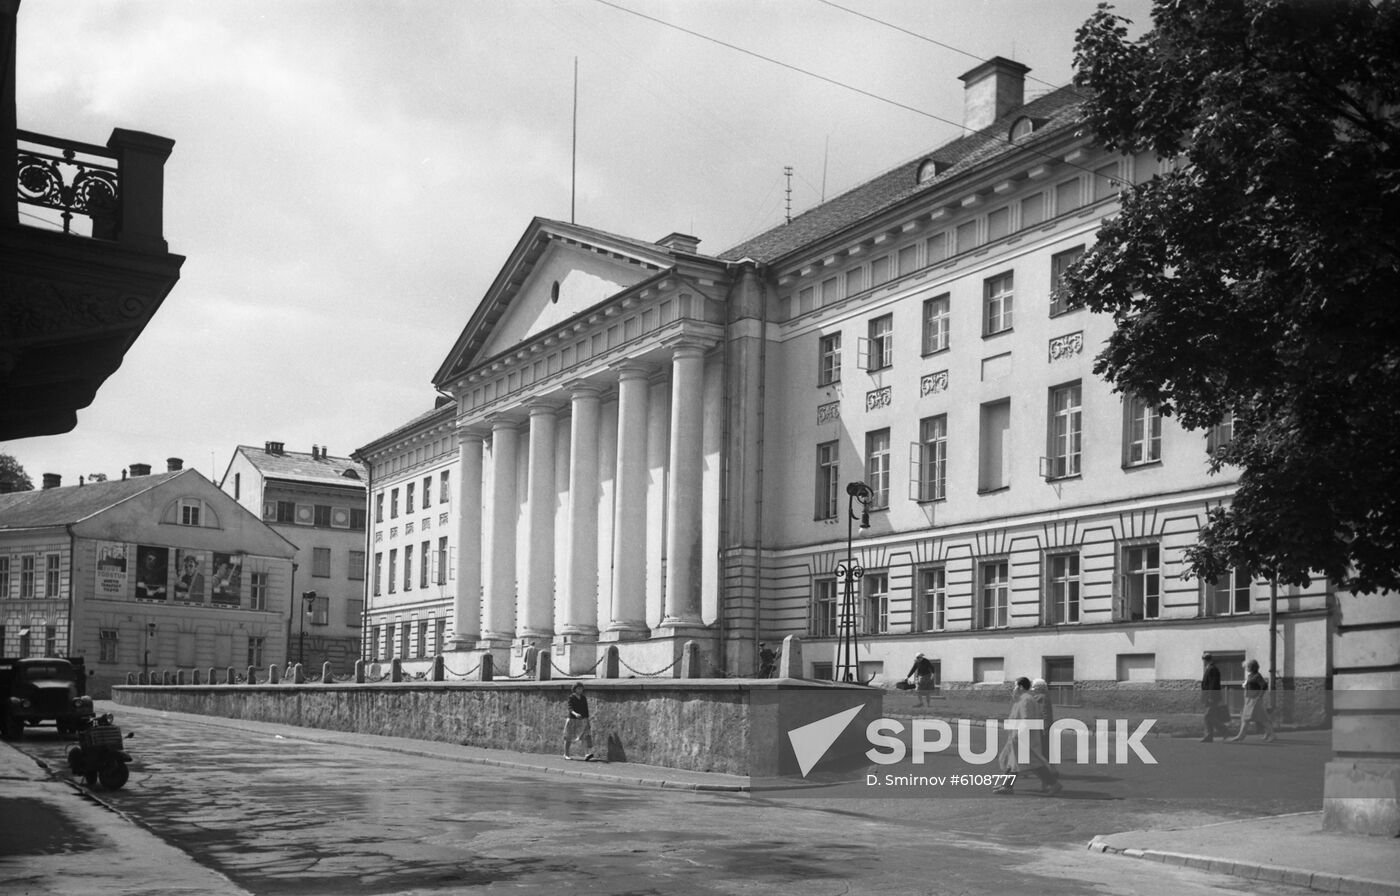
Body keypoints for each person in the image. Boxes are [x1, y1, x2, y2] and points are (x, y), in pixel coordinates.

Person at [992, 677, 1062, 796]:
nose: (1013, 688)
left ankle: (1054, 784)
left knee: (1033, 763)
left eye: (1015, 685)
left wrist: (1019, 735)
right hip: (1018, 736)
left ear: (1020, 686)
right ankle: (1007, 786)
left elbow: (1026, 719)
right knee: (1013, 761)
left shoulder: (1026, 699)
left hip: (1023, 737)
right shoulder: (1022, 699)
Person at [1228, 659, 1276, 742]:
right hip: (1249, 699)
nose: (1246, 668)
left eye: (1247, 666)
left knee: (1262, 719)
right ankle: (1241, 736)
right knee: (1246, 718)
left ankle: (1272, 735)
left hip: (1255, 700)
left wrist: (1259, 696)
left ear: (1252, 667)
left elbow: (1264, 686)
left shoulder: (1257, 676)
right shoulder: (1250, 676)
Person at [1200, 653, 1228, 742]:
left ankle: (1224, 730)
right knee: (1210, 716)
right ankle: (1209, 736)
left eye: (1204, 659)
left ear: (1206, 660)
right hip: (1208, 696)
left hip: (1212, 696)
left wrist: (1211, 696)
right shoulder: (1209, 668)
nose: (1204, 661)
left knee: (1207, 716)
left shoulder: (1213, 669)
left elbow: (1213, 684)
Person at [563, 682, 595, 760]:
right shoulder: (571, 697)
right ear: (575, 689)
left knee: (584, 736)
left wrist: (587, 720)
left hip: (582, 720)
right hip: (572, 719)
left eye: (581, 688)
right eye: (578, 688)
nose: (580, 690)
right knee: (568, 737)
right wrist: (575, 714)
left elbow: (585, 710)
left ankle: (586, 754)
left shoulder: (583, 698)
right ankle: (566, 754)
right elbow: (570, 708)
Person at [1030, 678, 1054, 760]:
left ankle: (1047, 767)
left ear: (1039, 688)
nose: (1034, 690)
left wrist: (1045, 727)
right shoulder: (1040, 697)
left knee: (1043, 747)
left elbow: (1045, 713)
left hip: (1043, 726)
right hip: (1040, 725)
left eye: (1035, 689)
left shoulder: (1042, 698)